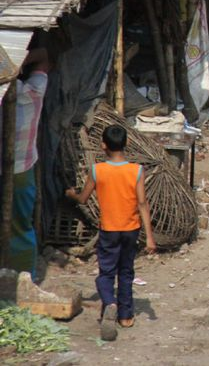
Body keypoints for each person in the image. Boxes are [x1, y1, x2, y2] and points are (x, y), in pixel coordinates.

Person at [66, 125, 157, 341]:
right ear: (126, 144)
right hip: (131, 229)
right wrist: (150, 238)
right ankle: (125, 316)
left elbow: (83, 198)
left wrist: (71, 194)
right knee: (126, 272)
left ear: (103, 145)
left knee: (106, 272)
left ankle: (110, 302)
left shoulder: (97, 170)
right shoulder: (137, 170)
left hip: (108, 230)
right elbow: (143, 203)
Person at [7, 41, 49, 279]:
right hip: (22, 171)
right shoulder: (34, 92)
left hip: (12, 171)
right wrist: (17, 59)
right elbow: (44, 56)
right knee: (21, 227)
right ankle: (24, 277)